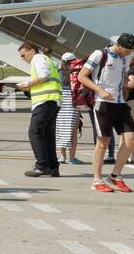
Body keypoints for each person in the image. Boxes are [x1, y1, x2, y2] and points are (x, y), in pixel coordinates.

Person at [77, 33, 134, 191]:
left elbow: (120, 78)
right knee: (103, 142)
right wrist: (100, 90)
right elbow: (82, 76)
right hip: (102, 102)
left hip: (120, 103)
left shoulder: (124, 58)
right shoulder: (100, 54)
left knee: (131, 139)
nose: (129, 53)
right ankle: (97, 180)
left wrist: (129, 82)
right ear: (118, 45)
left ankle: (115, 175)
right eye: (128, 50)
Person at [16, 42, 62, 178]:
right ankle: (53, 166)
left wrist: (27, 84)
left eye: (23, 55)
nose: (23, 58)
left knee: (34, 132)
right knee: (47, 134)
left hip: (45, 100)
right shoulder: (47, 59)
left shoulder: (38, 58)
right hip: (53, 100)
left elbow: (43, 76)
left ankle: (42, 166)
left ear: (31, 51)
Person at [56, 52, 84, 166]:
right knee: (73, 130)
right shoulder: (76, 72)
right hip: (72, 99)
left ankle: (62, 156)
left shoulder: (58, 72)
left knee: (61, 128)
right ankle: (72, 158)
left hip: (61, 99)